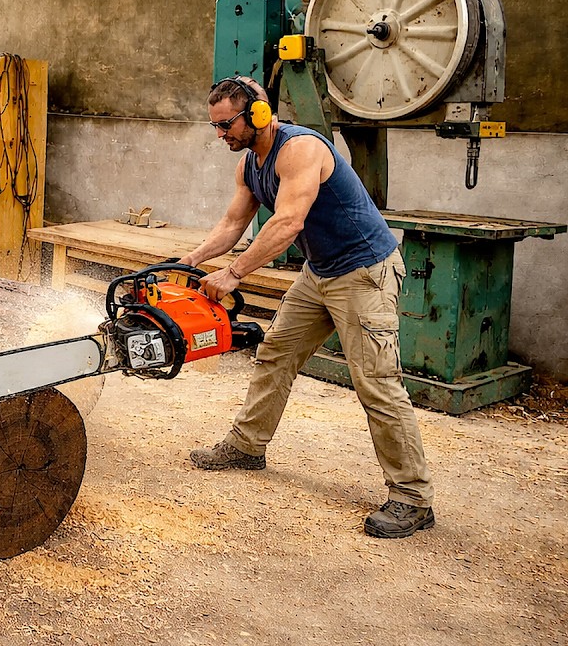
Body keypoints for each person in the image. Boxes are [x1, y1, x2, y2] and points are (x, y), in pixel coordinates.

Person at [181, 76, 434, 538]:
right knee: (276, 352)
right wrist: (192, 260)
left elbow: (289, 221)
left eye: (226, 125)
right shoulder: (250, 165)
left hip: (363, 272)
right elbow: (233, 222)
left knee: (376, 382)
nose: (220, 136)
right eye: (215, 127)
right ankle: (246, 446)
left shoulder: (300, 150)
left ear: (257, 113)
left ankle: (412, 497)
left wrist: (234, 273)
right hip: (320, 272)